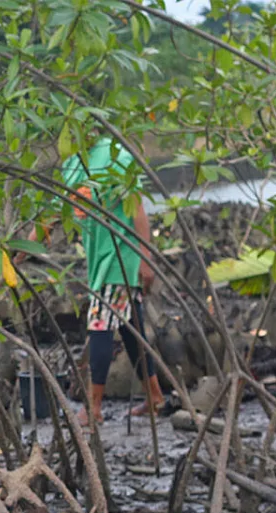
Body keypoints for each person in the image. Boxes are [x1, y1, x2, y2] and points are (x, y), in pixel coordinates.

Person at [29, 139, 163, 425]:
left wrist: (145, 256)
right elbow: (55, 214)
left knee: (100, 328)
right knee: (131, 329)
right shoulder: (73, 163)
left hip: (119, 260)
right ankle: (155, 397)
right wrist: (21, 250)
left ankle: (93, 408)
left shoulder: (115, 155)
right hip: (99, 261)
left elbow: (136, 208)